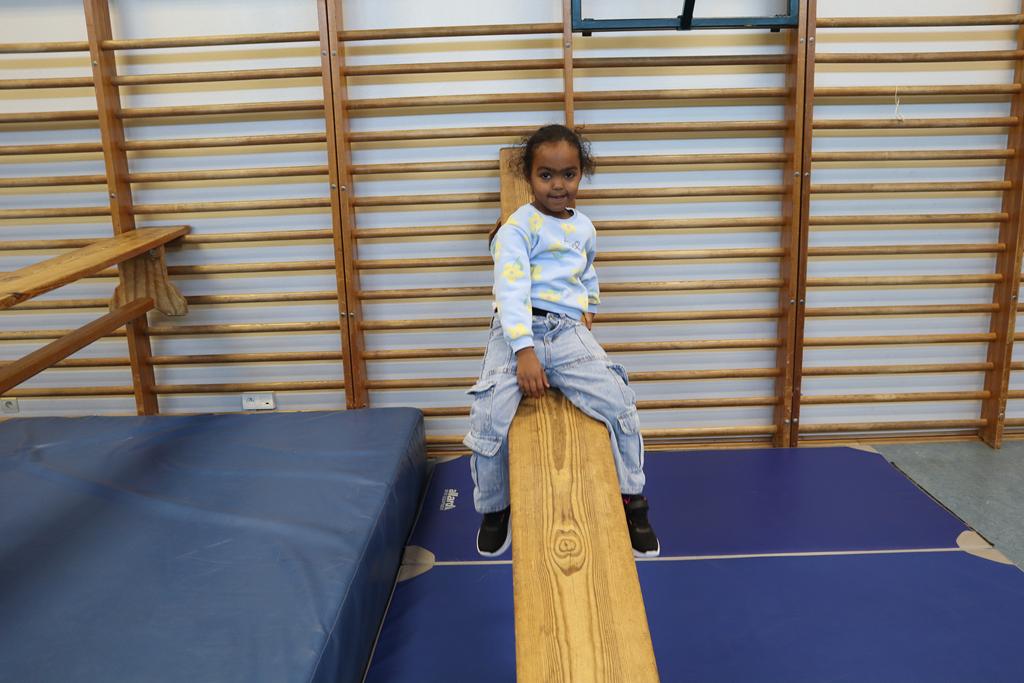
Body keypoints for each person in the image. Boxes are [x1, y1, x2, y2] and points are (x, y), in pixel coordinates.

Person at [463, 123, 659, 558]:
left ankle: (632, 498)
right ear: (529, 177)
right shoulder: (517, 229)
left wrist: (589, 308)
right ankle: (494, 507)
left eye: (568, 174)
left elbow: (587, 271)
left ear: (580, 174)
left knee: (620, 402)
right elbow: (511, 292)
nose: (558, 185)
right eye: (546, 175)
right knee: (487, 415)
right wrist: (524, 352)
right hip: (517, 329)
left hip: (567, 329)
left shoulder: (584, 227)